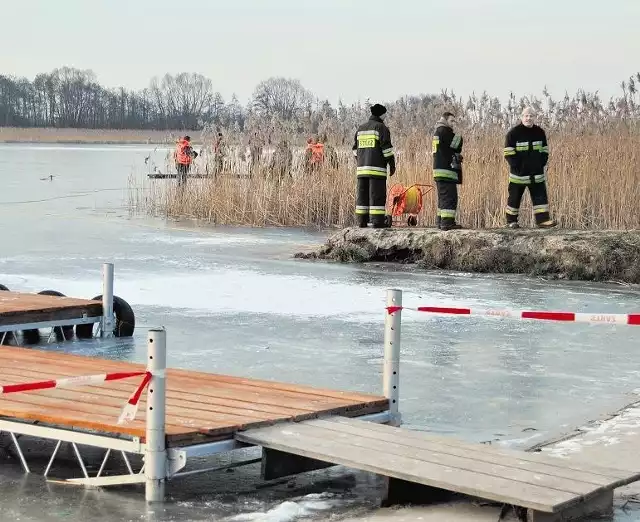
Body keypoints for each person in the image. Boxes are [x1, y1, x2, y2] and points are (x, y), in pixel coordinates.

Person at [503, 107, 556, 228]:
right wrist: (518, 167)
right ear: (522, 117)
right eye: (526, 116)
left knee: (540, 197)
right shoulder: (513, 133)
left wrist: (541, 163)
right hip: (518, 175)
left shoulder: (540, 132)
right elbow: (508, 152)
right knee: (514, 198)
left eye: (531, 116)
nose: (528, 118)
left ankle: (543, 220)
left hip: (536, 174)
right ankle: (511, 222)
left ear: (535, 117)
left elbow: (544, 150)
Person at [352, 103, 396, 228]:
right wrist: (392, 165)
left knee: (362, 195)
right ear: (381, 114)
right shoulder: (381, 128)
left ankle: (361, 221)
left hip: (361, 170)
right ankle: (377, 221)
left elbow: (354, 150)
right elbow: (387, 150)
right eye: (385, 114)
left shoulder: (361, 128)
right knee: (376, 195)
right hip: (377, 170)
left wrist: (361, 160)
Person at [432, 111, 463, 230]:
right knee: (450, 197)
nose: (453, 124)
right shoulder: (445, 131)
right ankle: (447, 223)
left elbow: (446, 149)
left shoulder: (437, 132)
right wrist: (460, 137)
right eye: (451, 121)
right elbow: (456, 145)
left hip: (439, 170)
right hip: (446, 171)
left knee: (443, 197)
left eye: (454, 121)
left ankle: (440, 221)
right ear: (444, 120)